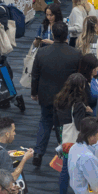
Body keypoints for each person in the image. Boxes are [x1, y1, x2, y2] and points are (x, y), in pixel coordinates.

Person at [31, 22, 82, 167]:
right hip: (66, 98)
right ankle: (64, 156)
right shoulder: (75, 54)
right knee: (64, 127)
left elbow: (35, 75)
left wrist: (34, 93)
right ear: (67, 35)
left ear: (53, 34)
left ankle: (38, 152)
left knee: (45, 122)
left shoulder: (42, 52)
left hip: (46, 96)